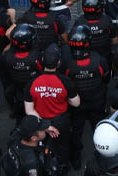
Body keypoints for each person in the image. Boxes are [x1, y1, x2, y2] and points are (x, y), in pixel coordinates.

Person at [25, 43, 80, 173]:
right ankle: (62, 168)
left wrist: (45, 126)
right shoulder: (65, 81)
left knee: (40, 148)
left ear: (43, 61)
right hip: (61, 123)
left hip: (40, 123)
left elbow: (29, 111)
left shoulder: (32, 82)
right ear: (59, 63)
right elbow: (76, 103)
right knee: (63, 147)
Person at [65, 25, 111, 170]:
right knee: (100, 131)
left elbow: (65, 82)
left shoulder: (67, 63)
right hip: (96, 102)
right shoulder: (99, 61)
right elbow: (106, 78)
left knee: (76, 133)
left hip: (76, 105)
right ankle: (104, 159)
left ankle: (76, 161)